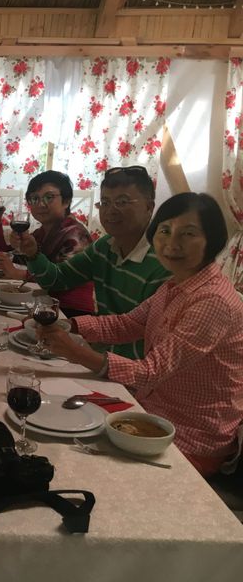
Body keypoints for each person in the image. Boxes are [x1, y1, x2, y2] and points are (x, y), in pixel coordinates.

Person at [37, 193, 243, 476]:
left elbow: (149, 372)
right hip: (147, 410)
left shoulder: (212, 300)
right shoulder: (176, 285)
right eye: (165, 231)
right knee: (53, 420)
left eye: (188, 233)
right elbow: (127, 324)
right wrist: (69, 326)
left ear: (214, 241)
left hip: (188, 436)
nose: (172, 243)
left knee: (72, 462)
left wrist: (76, 353)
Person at [15, 165, 171, 359]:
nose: (110, 211)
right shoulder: (104, 246)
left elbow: (148, 341)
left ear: (149, 207)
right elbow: (57, 280)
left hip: (129, 372)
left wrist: (81, 352)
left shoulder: (164, 262)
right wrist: (33, 254)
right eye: (105, 202)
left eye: (122, 202)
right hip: (99, 353)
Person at [0, 170, 94, 317]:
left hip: (71, 312)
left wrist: (20, 273)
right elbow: (10, 256)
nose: (41, 204)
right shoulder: (42, 232)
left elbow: (60, 279)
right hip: (44, 303)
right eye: (34, 198)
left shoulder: (75, 234)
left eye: (49, 197)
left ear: (66, 201)